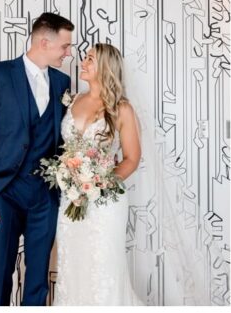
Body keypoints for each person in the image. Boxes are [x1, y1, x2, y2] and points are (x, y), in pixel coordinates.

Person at [0, 13, 74, 305]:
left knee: (38, 281)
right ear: (44, 41)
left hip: (44, 196)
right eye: (65, 46)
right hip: (3, 194)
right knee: (0, 275)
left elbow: (63, 140)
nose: (69, 52)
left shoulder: (63, 83)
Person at [52, 43, 143, 305]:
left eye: (89, 58)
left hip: (105, 203)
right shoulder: (73, 100)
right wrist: (74, 179)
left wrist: (99, 181)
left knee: (104, 266)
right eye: (84, 57)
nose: (83, 61)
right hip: (71, 199)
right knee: (73, 264)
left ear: (104, 66)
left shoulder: (121, 107)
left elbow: (132, 158)